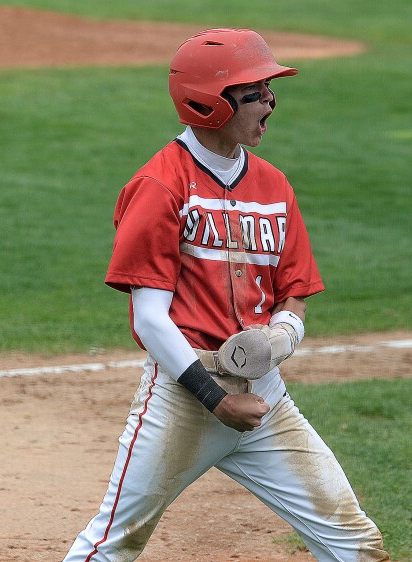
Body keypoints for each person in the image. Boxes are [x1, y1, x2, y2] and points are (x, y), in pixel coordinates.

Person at [63, 28, 390, 562]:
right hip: (184, 398)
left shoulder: (274, 186)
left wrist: (279, 339)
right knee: (113, 544)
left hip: (266, 401)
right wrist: (216, 399)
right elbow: (149, 318)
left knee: (354, 541)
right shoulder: (162, 185)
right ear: (211, 102)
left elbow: (294, 296)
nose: (271, 103)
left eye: (268, 89)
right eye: (256, 91)